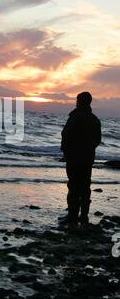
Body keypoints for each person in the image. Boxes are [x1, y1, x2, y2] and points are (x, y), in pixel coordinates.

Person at [61, 92, 101, 226]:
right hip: (88, 158)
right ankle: (84, 216)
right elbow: (97, 140)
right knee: (85, 186)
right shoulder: (95, 119)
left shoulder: (75, 117)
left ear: (78, 101)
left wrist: (66, 152)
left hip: (74, 157)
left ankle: (72, 215)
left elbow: (65, 135)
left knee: (73, 185)